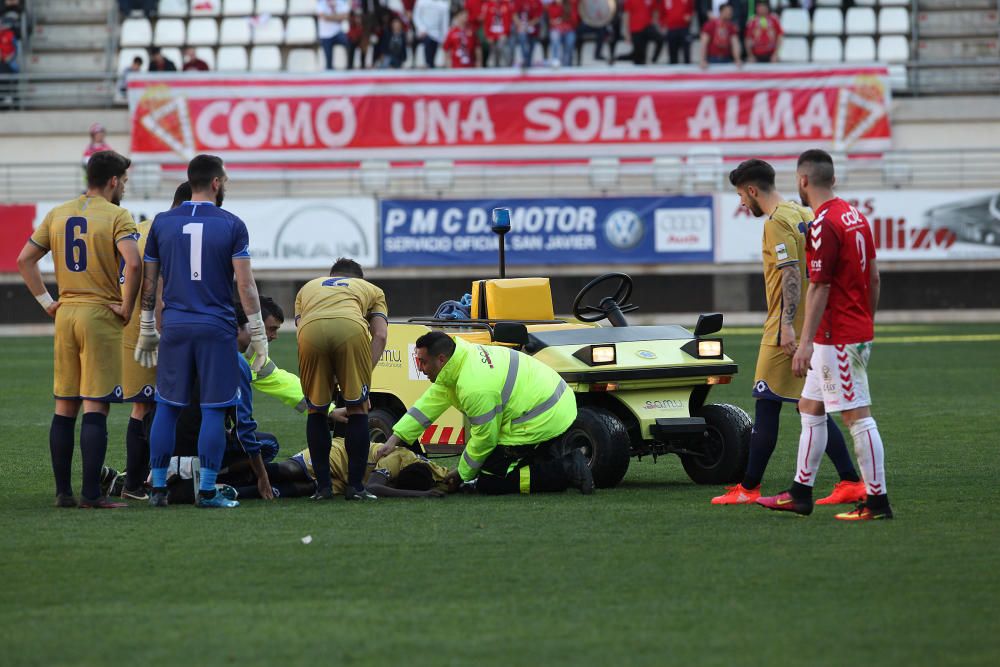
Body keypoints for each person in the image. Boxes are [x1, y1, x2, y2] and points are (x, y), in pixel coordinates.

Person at [712, 159, 865, 506]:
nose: (740, 203)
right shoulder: (802, 213)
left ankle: (749, 489)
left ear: (752, 191)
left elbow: (791, 274)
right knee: (808, 407)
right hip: (812, 323)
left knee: (767, 403)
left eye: (740, 195)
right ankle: (850, 481)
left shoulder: (776, 222)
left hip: (786, 328)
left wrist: (786, 327)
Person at [758, 149, 894, 521]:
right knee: (810, 407)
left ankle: (877, 502)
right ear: (831, 179)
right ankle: (800, 493)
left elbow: (818, 287)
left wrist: (804, 343)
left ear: (803, 181)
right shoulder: (854, 216)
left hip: (837, 336)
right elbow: (875, 276)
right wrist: (867, 319)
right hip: (853, 328)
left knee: (856, 416)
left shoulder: (823, 224)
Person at [135, 154, 270, 509]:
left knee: (166, 406)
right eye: (224, 180)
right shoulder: (232, 224)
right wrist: (256, 331)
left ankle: (159, 489)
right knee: (214, 409)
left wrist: (147, 327)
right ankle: (207, 491)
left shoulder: (162, 223)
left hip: (176, 326)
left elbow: (150, 283)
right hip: (216, 327)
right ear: (215, 182)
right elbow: (246, 284)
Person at [16, 151, 141, 508]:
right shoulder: (117, 215)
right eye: (125, 182)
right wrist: (127, 307)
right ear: (114, 181)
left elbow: (24, 259)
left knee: (64, 406)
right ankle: (91, 493)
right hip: (99, 313)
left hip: (66, 313)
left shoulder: (58, 213)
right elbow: (133, 263)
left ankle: (62, 493)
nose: (124, 188)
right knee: (96, 406)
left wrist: (47, 302)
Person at [378, 331, 594, 495]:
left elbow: (484, 439)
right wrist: (394, 439)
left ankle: (567, 468)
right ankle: (548, 457)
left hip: (543, 416)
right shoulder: (459, 362)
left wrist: (461, 474)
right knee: (485, 469)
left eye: (422, 362)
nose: (421, 368)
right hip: (552, 403)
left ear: (441, 359)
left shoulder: (473, 386)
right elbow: (426, 407)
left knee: (491, 482)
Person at [295, 257, 389, 501]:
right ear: (358, 279)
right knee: (357, 408)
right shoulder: (372, 290)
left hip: (309, 331)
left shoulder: (308, 287)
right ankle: (355, 487)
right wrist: (363, 374)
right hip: (350, 328)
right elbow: (379, 335)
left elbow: (301, 329)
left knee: (316, 410)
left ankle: (323, 488)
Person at [699, 2, 741, 68]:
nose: (730, 13)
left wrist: (737, 59)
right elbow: (704, 43)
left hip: (726, 59)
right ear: (721, 11)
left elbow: (735, 44)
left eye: (730, 11)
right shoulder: (710, 25)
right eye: (727, 11)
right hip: (712, 59)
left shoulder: (731, 26)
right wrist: (702, 60)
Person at [654, 0, 692, 64]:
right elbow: (661, 13)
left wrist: (689, 16)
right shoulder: (665, 1)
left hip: (684, 28)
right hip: (671, 29)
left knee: (686, 53)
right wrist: (663, 25)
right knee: (672, 53)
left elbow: (691, 9)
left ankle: (688, 71)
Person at [413, 0, 449, 68]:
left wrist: (444, 38)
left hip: (436, 34)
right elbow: (416, 17)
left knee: (433, 43)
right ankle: (427, 64)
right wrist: (422, 28)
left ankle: (431, 65)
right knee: (428, 41)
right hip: (423, 32)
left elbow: (444, 24)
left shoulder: (443, 5)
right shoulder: (421, 2)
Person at [623, 0, 660, 65]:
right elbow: (627, 15)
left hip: (647, 27)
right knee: (639, 55)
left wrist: (654, 23)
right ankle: (618, 58)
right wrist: (627, 33)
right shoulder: (630, 1)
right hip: (635, 29)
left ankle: (653, 60)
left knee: (660, 39)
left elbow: (655, 10)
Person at [318, 0, 352, 70]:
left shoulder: (340, 2)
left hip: (338, 32)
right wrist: (338, 17)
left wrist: (330, 16)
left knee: (350, 43)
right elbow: (323, 17)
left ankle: (349, 67)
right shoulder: (321, 3)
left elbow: (346, 16)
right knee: (329, 61)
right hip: (325, 35)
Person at [545, 0, 577, 67]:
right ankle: (556, 60)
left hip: (568, 29)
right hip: (556, 28)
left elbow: (573, 19)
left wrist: (562, 20)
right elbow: (551, 20)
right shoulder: (551, 5)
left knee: (570, 40)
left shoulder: (569, 4)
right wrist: (556, 22)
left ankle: (567, 62)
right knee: (555, 37)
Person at [481, 0, 513, 67]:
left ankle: (506, 65)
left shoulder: (506, 4)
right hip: (492, 34)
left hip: (502, 34)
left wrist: (506, 33)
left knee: (501, 47)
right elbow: (486, 22)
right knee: (493, 51)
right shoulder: (487, 5)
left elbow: (508, 20)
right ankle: (493, 66)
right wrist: (488, 35)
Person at [512, 0, 543, 67]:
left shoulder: (537, 2)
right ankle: (526, 61)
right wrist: (520, 24)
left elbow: (538, 17)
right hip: (522, 26)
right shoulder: (519, 1)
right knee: (522, 37)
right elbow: (514, 15)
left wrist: (528, 25)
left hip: (533, 27)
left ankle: (528, 62)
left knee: (532, 45)